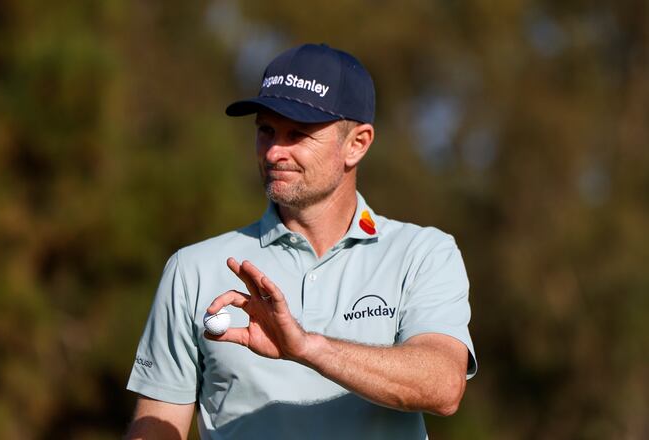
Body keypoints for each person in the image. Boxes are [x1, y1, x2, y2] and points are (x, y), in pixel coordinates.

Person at [125, 43, 477, 440]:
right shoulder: (192, 269)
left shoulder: (422, 253)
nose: (275, 151)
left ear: (356, 144)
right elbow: (157, 426)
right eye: (266, 131)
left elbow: (443, 387)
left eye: (298, 134)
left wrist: (307, 347)